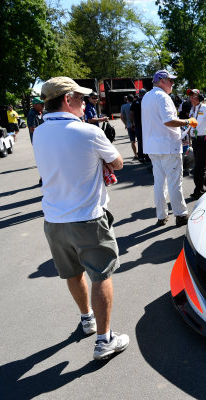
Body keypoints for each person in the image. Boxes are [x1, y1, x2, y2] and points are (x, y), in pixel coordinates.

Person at [32, 76, 129, 360]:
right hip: (87, 217)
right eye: (81, 97)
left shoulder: (39, 132)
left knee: (72, 273)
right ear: (67, 99)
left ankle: (87, 319)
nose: (85, 102)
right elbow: (118, 162)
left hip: (54, 218)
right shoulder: (87, 132)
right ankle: (104, 340)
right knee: (101, 275)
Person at [141, 70, 194, 227]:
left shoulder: (147, 96)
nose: (172, 83)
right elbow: (169, 121)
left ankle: (161, 215)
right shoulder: (162, 97)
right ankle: (181, 214)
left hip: (153, 146)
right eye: (170, 80)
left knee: (159, 183)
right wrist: (187, 122)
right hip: (167, 145)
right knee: (174, 182)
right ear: (162, 80)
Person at [185, 88, 206, 199]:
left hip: (204, 140)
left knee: (199, 166)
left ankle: (198, 190)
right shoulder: (192, 109)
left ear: (200, 97)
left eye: (193, 96)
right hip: (195, 140)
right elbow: (191, 125)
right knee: (204, 164)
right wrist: (188, 137)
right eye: (190, 96)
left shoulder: (205, 108)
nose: (191, 98)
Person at [131, 88, 147, 162]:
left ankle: (141, 156)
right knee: (147, 140)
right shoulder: (147, 101)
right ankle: (148, 156)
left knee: (140, 141)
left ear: (139, 94)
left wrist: (132, 123)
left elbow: (131, 114)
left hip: (138, 124)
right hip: (147, 124)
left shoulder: (135, 102)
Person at [120, 94, 138, 160]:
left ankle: (135, 155)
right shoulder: (136, 104)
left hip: (129, 125)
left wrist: (125, 124)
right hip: (137, 125)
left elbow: (122, 117)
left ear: (127, 99)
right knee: (140, 140)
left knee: (132, 141)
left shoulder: (123, 106)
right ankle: (143, 154)